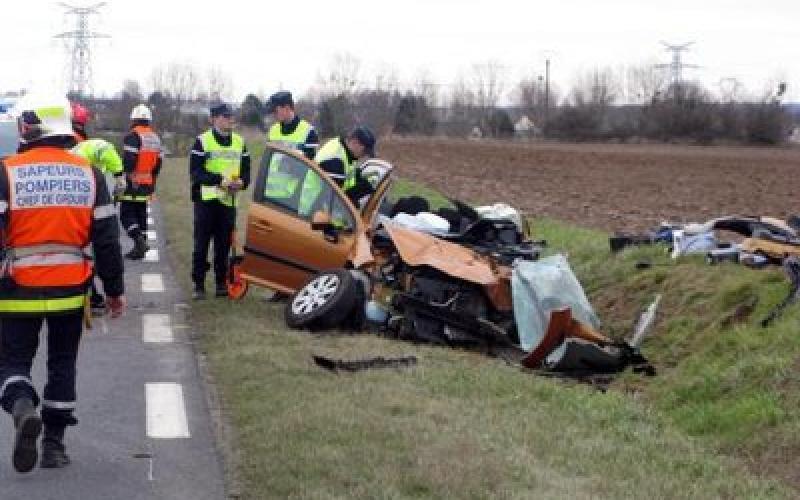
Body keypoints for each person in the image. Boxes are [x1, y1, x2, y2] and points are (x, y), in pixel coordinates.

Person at [0, 95, 125, 473]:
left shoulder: (7, 171)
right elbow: (106, 239)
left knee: (12, 363)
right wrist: (115, 290)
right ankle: (54, 446)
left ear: (27, 126)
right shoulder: (89, 174)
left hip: (15, 290)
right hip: (71, 290)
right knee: (63, 364)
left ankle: (22, 406)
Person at [189, 103, 250, 299]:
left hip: (229, 202)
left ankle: (221, 284)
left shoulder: (240, 142)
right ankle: (198, 285)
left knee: (223, 245)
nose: (229, 119)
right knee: (202, 245)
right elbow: (195, 173)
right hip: (206, 201)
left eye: (231, 116)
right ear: (213, 119)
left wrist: (242, 182)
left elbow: (246, 171)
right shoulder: (202, 141)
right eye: (225, 116)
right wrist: (219, 180)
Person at [70, 102, 126, 315]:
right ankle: (92, 296)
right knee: (94, 247)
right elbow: (105, 150)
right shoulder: (86, 145)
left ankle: (90, 295)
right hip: (89, 204)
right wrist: (119, 174)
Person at [118, 104, 163, 260]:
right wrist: (152, 182)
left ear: (134, 119)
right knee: (140, 213)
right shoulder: (156, 138)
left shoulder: (133, 136)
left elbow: (129, 161)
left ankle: (138, 240)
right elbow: (158, 165)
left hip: (133, 182)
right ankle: (140, 247)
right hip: (147, 182)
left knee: (126, 214)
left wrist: (125, 176)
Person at [315, 125, 377, 204]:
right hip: (311, 210)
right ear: (355, 142)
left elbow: (346, 179)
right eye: (364, 151)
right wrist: (359, 191)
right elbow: (333, 200)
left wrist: (360, 180)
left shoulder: (344, 150)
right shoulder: (335, 161)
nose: (364, 155)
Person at [265, 90, 318, 159]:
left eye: (275, 111)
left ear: (287, 108)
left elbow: (311, 164)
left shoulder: (309, 132)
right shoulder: (273, 130)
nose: (273, 114)